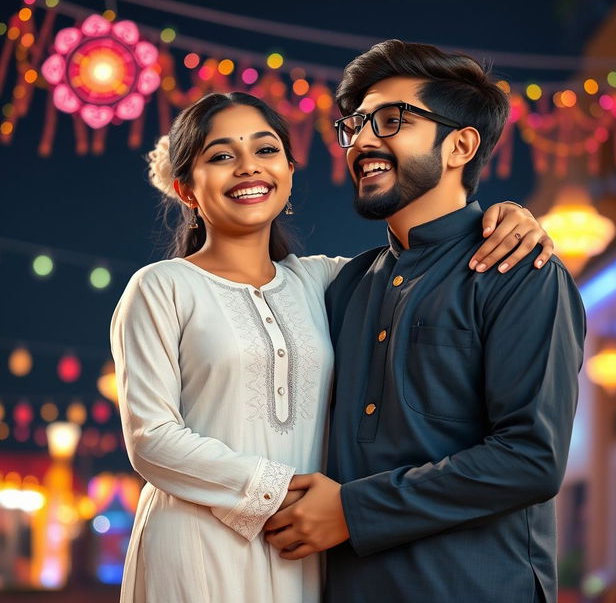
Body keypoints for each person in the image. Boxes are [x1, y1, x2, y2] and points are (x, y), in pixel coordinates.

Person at [111, 90, 554, 603]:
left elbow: (422, 259)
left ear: (290, 173)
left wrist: (507, 218)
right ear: (186, 189)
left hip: (306, 546)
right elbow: (152, 439)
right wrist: (285, 493)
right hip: (199, 537)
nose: (248, 168)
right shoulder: (160, 286)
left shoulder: (325, 281)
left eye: (266, 150)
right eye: (221, 156)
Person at [263, 41, 587, 603]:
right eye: (356, 124)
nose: (363, 141)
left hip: (476, 587)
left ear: (461, 144)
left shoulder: (519, 273)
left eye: (392, 121)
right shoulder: (345, 286)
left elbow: (530, 458)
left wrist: (351, 510)